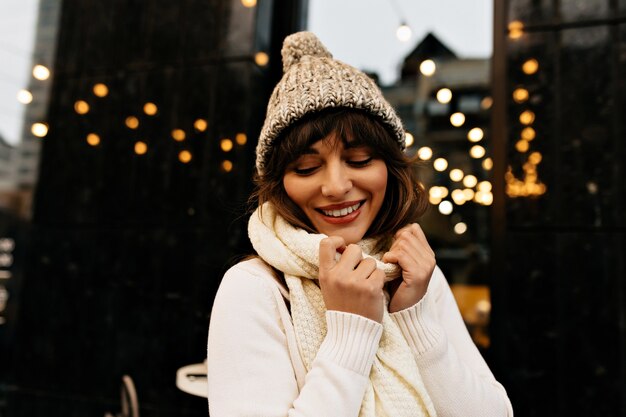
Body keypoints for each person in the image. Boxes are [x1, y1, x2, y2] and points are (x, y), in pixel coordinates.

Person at [207, 31, 513, 417]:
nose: (336, 186)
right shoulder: (255, 289)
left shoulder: (412, 276)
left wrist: (415, 319)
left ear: (390, 167)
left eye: (360, 159)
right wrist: (351, 331)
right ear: (279, 184)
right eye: (306, 167)